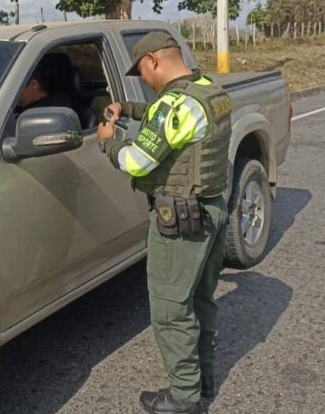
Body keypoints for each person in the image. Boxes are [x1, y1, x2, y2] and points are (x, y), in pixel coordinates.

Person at [97, 32, 233, 414]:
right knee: (200, 300)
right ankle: (203, 380)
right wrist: (128, 107)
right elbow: (167, 116)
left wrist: (108, 141)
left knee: (172, 310)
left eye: (141, 71)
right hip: (212, 208)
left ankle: (185, 399)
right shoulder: (209, 89)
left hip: (182, 220)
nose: (143, 79)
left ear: (154, 61)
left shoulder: (175, 105)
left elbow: (138, 161)